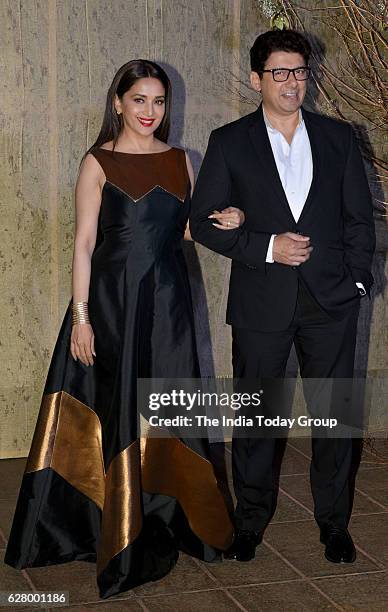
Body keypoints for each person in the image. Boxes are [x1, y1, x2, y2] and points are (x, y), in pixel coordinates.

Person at [4, 59, 242, 599]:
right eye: (139, 100)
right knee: (115, 405)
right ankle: (105, 526)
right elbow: (84, 244)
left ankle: (169, 516)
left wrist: (231, 219)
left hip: (169, 305)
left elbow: (189, 227)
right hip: (111, 305)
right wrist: (81, 317)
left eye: (159, 102)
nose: (149, 112)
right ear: (118, 102)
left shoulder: (183, 159)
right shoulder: (99, 161)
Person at [190, 30, 375, 564]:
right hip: (261, 303)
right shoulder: (229, 141)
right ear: (257, 80)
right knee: (255, 421)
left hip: (331, 302)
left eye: (299, 71)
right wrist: (266, 246)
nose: (292, 81)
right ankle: (249, 523)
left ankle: (334, 525)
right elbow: (203, 223)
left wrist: (357, 283)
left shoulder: (339, 137)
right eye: (280, 72)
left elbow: (359, 220)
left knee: (335, 420)